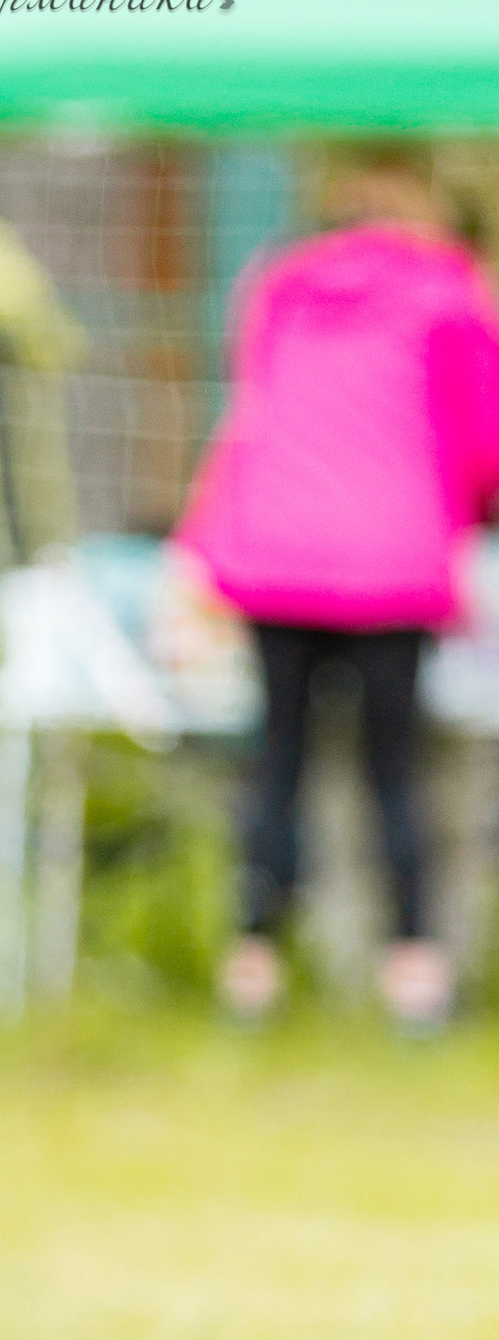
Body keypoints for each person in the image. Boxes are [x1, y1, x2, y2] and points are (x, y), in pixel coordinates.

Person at [175, 147, 499, 1029]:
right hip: (391, 562)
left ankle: (253, 970)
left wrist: (202, 549)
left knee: (277, 761)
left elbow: (250, 415)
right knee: (394, 770)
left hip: (274, 556)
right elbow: (485, 439)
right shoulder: (447, 291)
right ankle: (416, 976)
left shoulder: (281, 284)